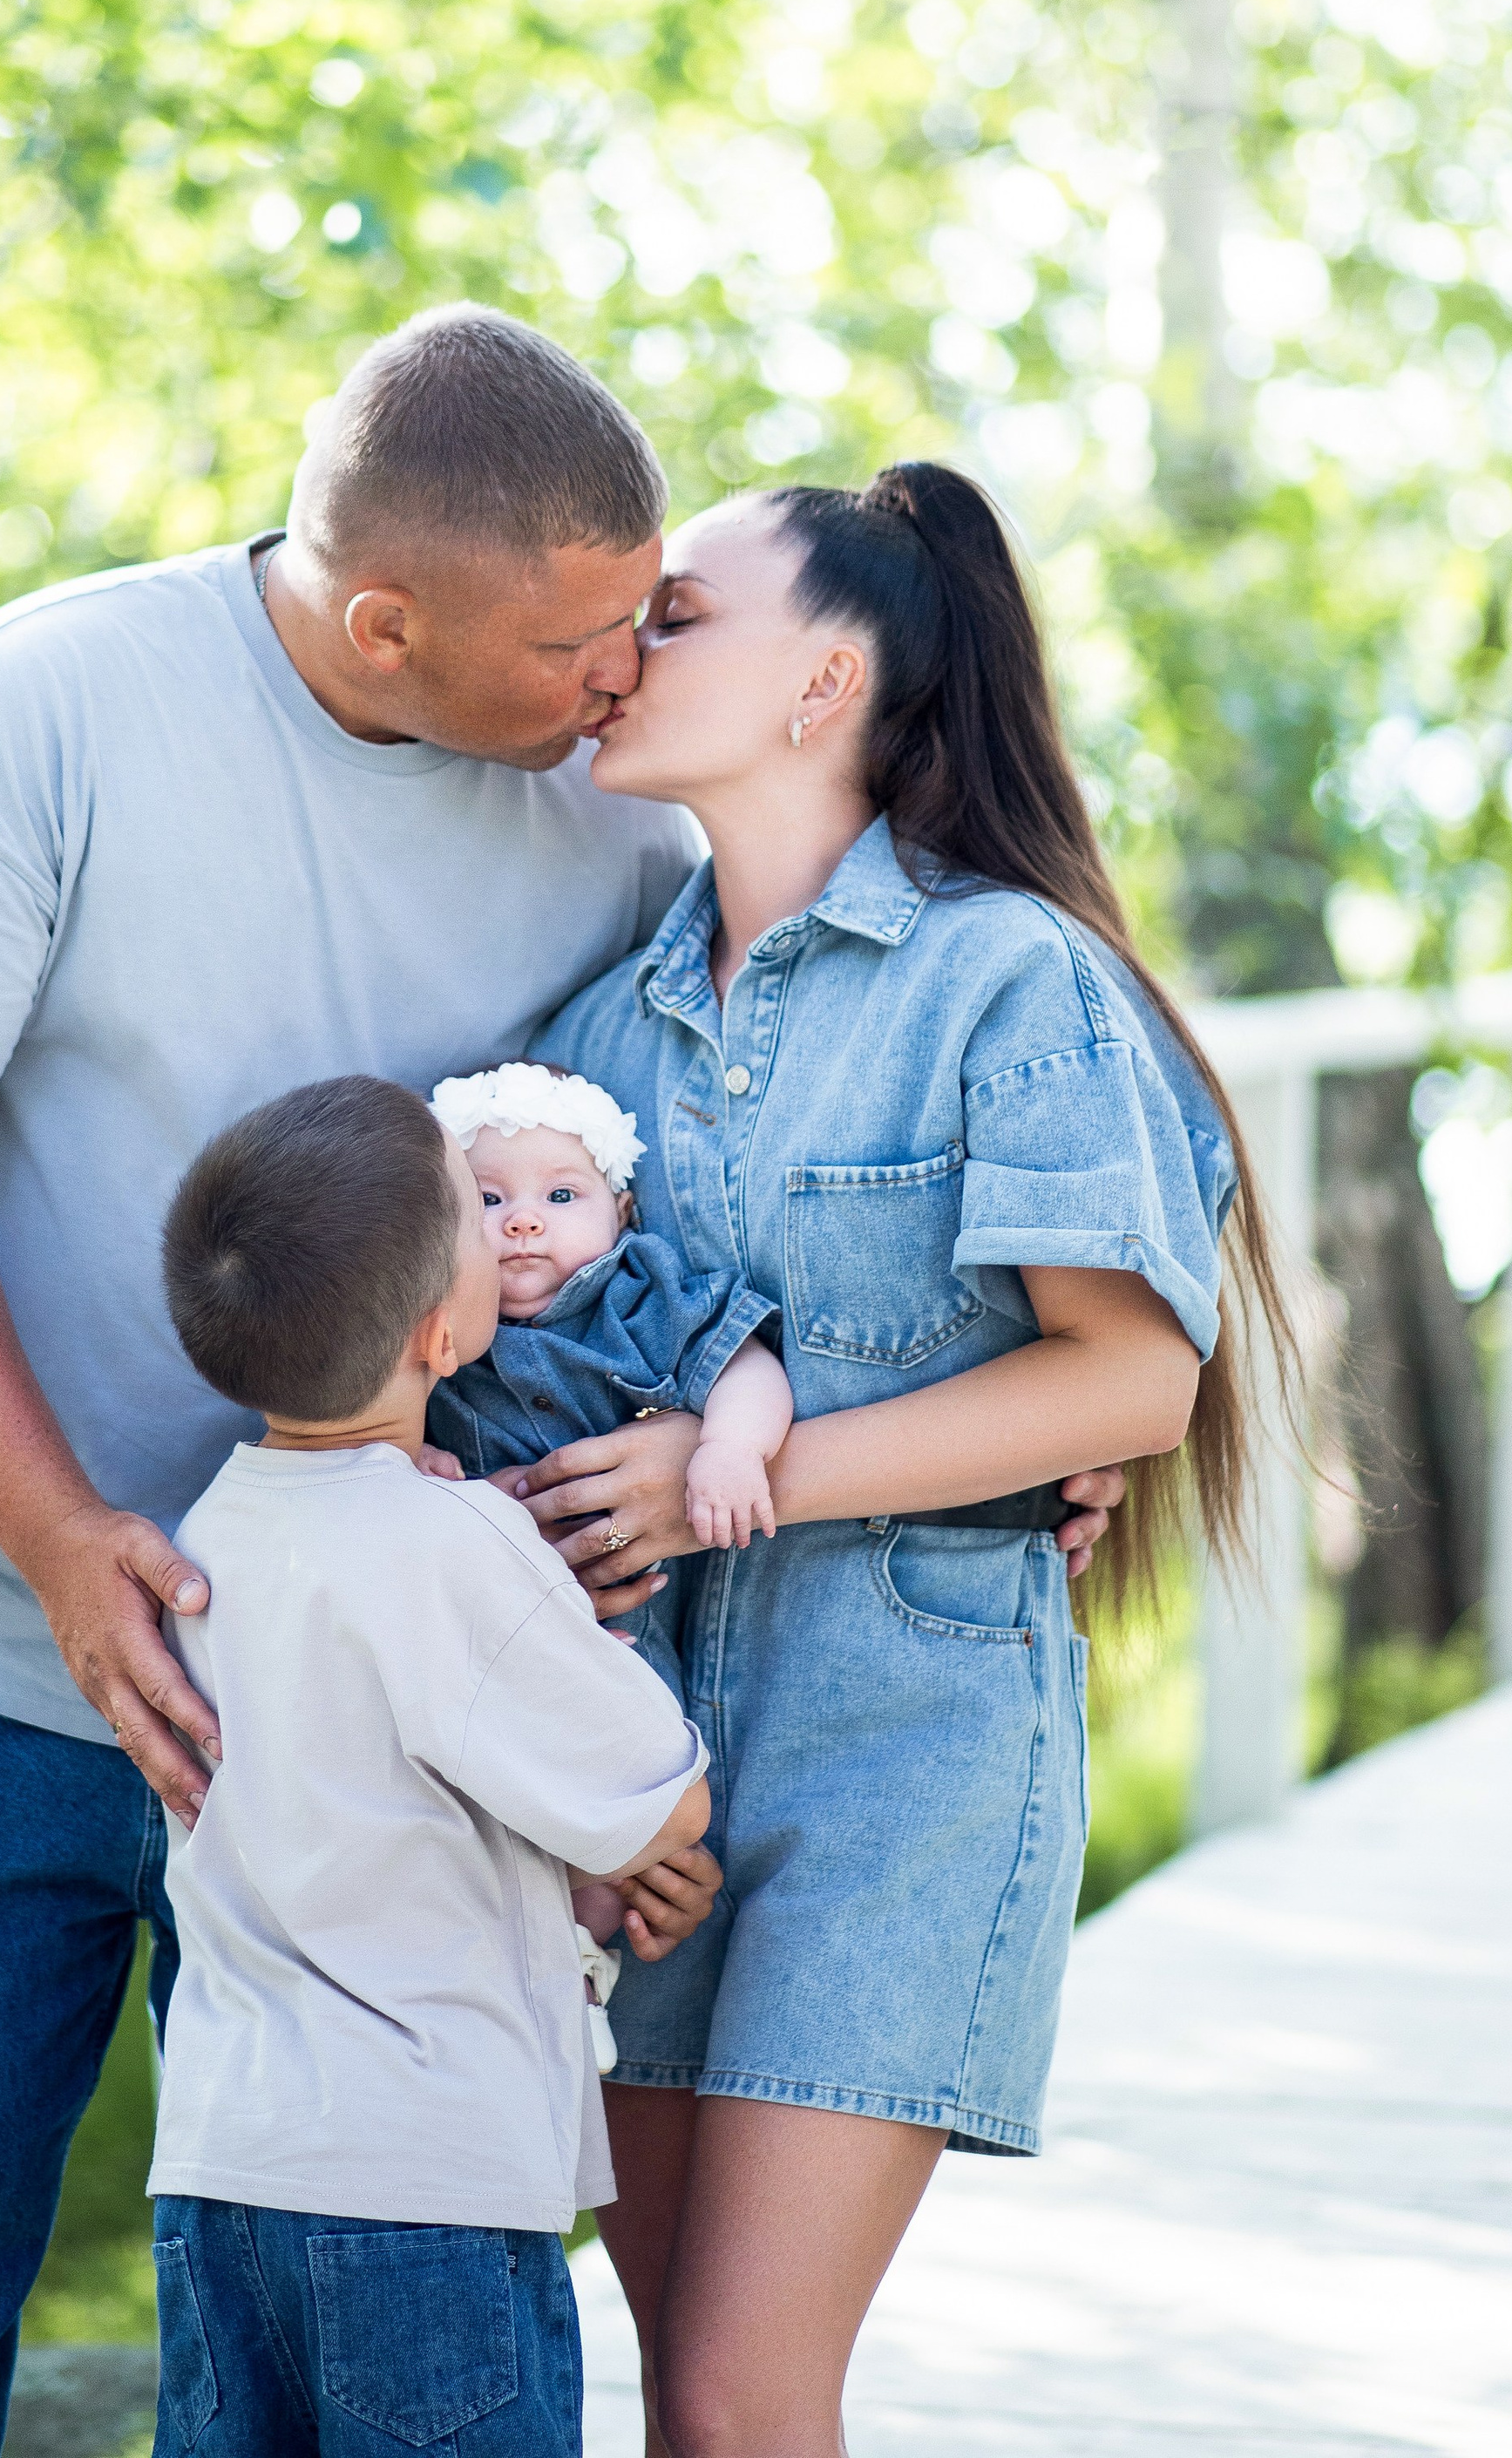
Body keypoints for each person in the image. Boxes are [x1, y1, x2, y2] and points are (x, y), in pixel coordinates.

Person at [0, 308, 1119, 2449]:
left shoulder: (627, 833)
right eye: (584, 635)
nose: (620, 676)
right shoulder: (36, 710)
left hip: (363, 1716)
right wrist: (59, 1538)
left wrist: (1004, 1427)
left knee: (321, 2351)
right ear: (384, 618)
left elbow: (695, 1216)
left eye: (649, 618)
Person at [500, 459, 1298, 2458]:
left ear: (819, 682)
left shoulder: (1002, 976)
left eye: (674, 614)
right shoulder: (587, 1041)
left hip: (907, 1758)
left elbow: (1125, 1380)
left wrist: (728, 1459)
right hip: (643, 1769)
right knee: (681, 2380)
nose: (617, 651)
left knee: (741, 2388)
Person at [146, 1074, 713, 2458]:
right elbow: (665, 1795)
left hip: (223, 2172)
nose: (508, 1223)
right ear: (442, 1331)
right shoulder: (453, 1545)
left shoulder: (206, 1532)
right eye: (477, 1205)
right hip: (425, 2185)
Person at [424, 1059, 793, 1552]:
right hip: (488, 1596)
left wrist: (733, 1446)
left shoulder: (641, 1300)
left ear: (621, 1214)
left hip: (651, 1591)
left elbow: (742, 1364)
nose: (524, 1221)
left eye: (560, 1194)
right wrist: (413, 1463)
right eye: (488, 1199)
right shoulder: (426, 1323)